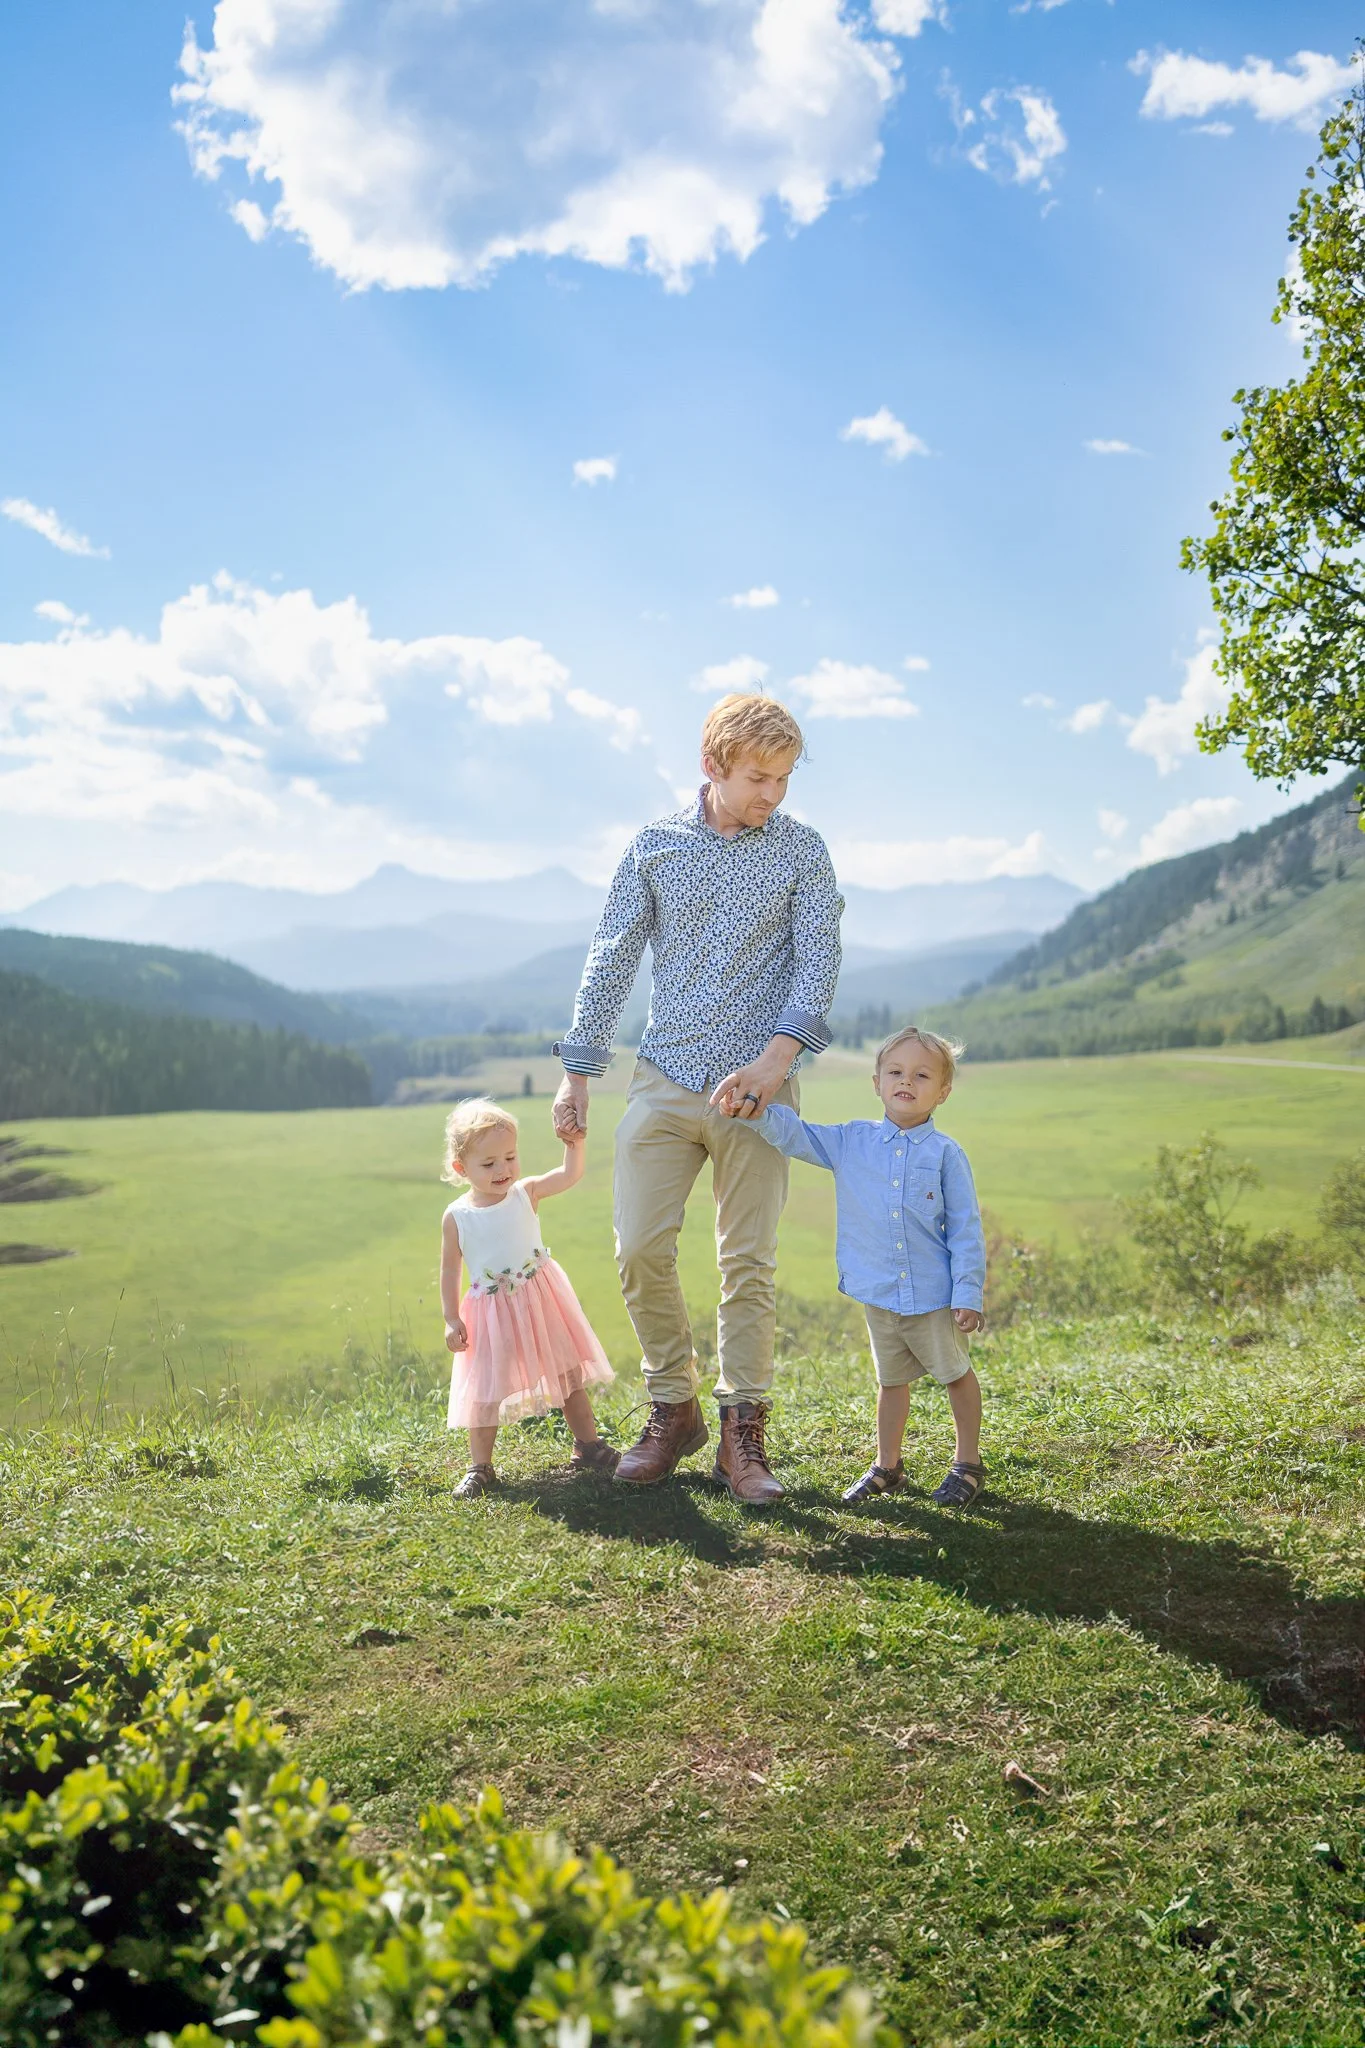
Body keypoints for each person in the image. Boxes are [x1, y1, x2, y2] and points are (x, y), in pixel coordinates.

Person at [553, 693, 842, 1505]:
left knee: (745, 1262)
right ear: (711, 765)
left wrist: (772, 1063)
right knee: (640, 1248)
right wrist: (577, 1071)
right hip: (662, 1078)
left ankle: (742, 1436)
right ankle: (671, 1408)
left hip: (761, 1089)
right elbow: (610, 955)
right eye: (758, 777)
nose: (772, 796)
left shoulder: (802, 853)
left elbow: (817, 965)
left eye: (783, 779)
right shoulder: (655, 846)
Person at [741, 1025, 988, 1507]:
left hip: (933, 1294)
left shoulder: (945, 1154)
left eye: (922, 1075)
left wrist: (968, 1293)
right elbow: (796, 1135)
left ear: (944, 1091)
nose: (907, 1082)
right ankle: (887, 1466)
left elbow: (965, 1228)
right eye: (895, 1072)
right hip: (878, 1292)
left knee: (955, 1374)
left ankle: (967, 1463)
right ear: (876, 1082)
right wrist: (754, 1110)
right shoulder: (852, 1141)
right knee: (890, 1380)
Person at [439, 1098, 618, 1498]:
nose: (503, 1170)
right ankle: (480, 1468)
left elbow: (570, 1175)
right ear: (461, 1169)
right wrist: (452, 1319)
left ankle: (588, 1445)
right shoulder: (457, 1217)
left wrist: (575, 1143)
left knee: (567, 1374)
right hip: (490, 1313)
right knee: (486, 1390)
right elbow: (451, 1270)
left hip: (540, 1300)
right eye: (489, 1164)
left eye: (510, 1157)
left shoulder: (525, 1193)